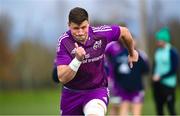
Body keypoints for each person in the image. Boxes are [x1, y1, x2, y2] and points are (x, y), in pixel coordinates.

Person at [55, 7, 138, 115]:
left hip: (96, 90)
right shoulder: (64, 42)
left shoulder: (100, 34)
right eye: (76, 28)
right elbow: (62, 77)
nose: (80, 32)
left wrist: (132, 52)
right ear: (69, 25)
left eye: (83, 27)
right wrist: (77, 60)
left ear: (88, 23)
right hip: (72, 94)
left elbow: (124, 32)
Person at [105, 40, 149, 116]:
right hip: (123, 89)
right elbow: (115, 72)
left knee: (135, 112)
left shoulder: (140, 55)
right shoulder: (118, 55)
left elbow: (146, 69)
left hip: (137, 88)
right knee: (123, 111)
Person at [152, 27, 179, 115]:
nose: (157, 41)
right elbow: (155, 66)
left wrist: (161, 76)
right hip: (157, 85)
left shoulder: (172, 52)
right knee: (159, 110)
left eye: (159, 40)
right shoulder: (157, 51)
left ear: (164, 40)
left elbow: (174, 69)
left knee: (171, 109)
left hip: (168, 85)